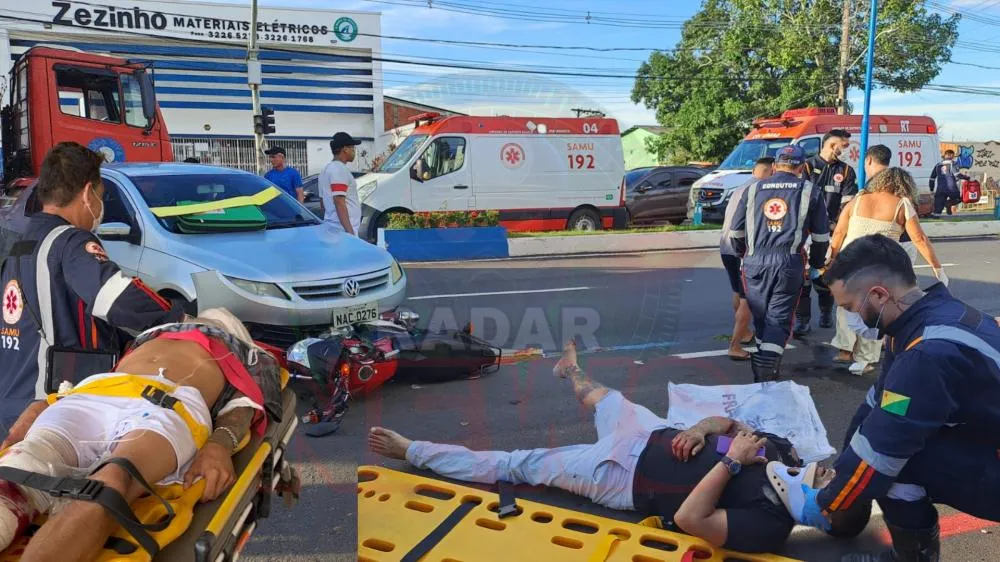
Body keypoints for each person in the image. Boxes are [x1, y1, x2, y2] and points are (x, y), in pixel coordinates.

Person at [368, 341, 869, 554]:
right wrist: (701, 430)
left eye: (830, 481)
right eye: (831, 472)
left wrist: (732, 464)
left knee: (518, 465)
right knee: (602, 397)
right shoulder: (783, 453)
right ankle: (570, 370)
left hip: (617, 476)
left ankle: (412, 450)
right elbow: (729, 423)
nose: (827, 470)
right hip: (654, 433)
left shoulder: (768, 526)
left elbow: (692, 519)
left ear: (823, 512)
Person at [0, 307, 283, 561]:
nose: (203, 321)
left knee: (113, 481)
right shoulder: (151, 335)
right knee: (20, 470)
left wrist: (219, 444)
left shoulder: (245, 352)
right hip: (94, 393)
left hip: (166, 404)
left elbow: (247, 403)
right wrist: (44, 404)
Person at [804, 234, 1000, 562]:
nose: (851, 319)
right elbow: (881, 405)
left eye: (849, 308)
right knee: (887, 454)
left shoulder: (927, 354)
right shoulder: (923, 320)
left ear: (879, 295)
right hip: (986, 437)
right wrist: (843, 471)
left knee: (895, 467)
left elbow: (883, 449)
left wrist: (825, 504)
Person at [0, 142, 187, 440]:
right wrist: (179, 319)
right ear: (88, 193)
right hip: (50, 406)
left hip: (12, 400)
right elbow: (118, 299)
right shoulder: (70, 242)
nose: (100, 207)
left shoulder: (20, 241)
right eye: (101, 195)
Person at [827, 168, 948, 376]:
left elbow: (838, 233)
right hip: (878, 266)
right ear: (904, 185)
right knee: (875, 310)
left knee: (848, 306)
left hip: (850, 260)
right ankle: (864, 359)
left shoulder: (856, 201)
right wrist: (937, 267)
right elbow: (919, 239)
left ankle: (845, 348)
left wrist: (831, 260)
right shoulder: (902, 204)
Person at [727, 145, 830, 382]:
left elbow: (735, 233)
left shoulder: (752, 189)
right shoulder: (809, 190)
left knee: (762, 317)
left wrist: (745, 254)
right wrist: (816, 264)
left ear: (774, 166)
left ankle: (764, 370)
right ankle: (766, 376)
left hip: (754, 262)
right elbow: (821, 237)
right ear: (802, 167)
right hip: (788, 262)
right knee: (779, 319)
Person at [794, 130, 858, 336]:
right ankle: (802, 320)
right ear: (832, 145)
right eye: (844, 145)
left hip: (830, 233)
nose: (847, 150)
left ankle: (825, 311)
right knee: (803, 278)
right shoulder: (806, 166)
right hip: (805, 233)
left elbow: (847, 204)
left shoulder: (846, 171)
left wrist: (836, 226)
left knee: (825, 276)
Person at [720, 157, 773, 360]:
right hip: (742, 249)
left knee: (738, 291)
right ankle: (734, 345)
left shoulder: (741, 188)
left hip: (726, 247)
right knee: (748, 298)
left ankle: (745, 333)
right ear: (771, 171)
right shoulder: (760, 190)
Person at [318, 132, 363, 237]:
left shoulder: (325, 171)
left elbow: (322, 203)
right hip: (343, 231)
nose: (354, 151)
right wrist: (350, 234)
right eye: (353, 148)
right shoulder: (339, 170)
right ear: (345, 149)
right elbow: (339, 202)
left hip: (332, 228)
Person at [929, 149, 962, 216]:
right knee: (958, 199)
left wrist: (931, 188)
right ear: (951, 155)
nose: (953, 157)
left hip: (940, 188)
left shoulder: (938, 165)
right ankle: (948, 204)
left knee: (938, 209)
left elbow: (932, 178)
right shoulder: (953, 163)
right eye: (953, 156)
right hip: (951, 188)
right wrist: (967, 178)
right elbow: (957, 175)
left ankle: (938, 216)